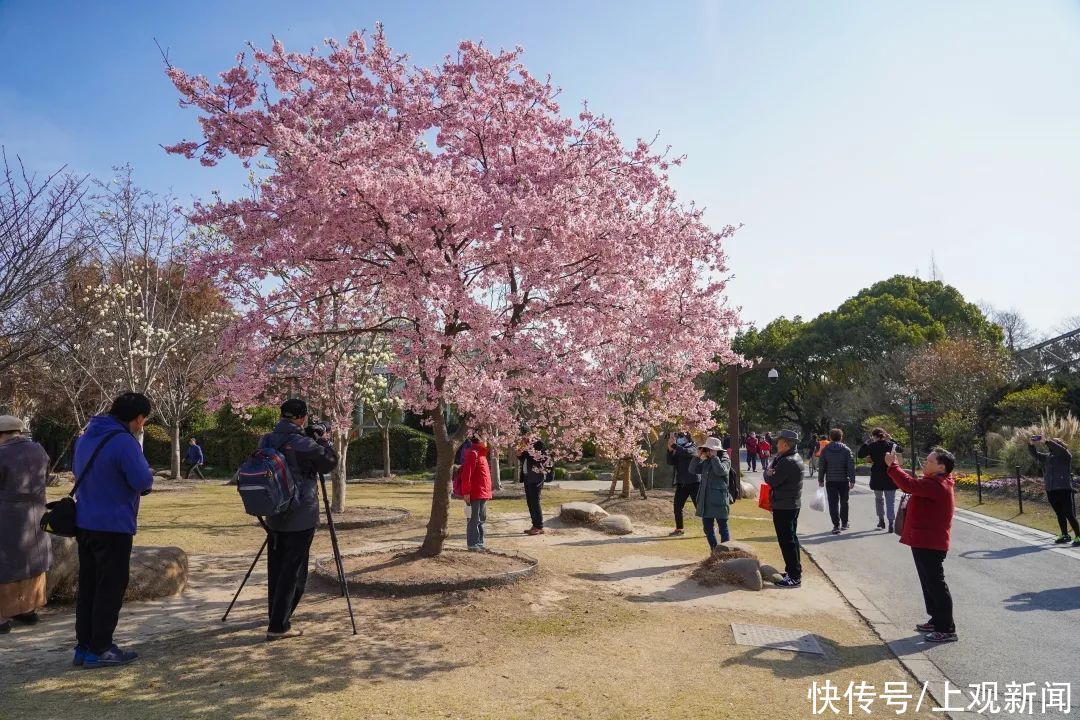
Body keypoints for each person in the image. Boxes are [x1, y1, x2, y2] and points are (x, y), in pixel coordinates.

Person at [72, 392, 154, 668]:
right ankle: (101, 647)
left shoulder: (85, 438)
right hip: (114, 524)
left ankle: (84, 646)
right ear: (138, 418)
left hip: (85, 521)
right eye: (143, 420)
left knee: (89, 586)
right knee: (110, 587)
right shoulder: (123, 442)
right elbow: (142, 481)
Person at [260, 398, 338, 641]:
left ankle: (275, 614)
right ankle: (279, 626)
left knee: (277, 567)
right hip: (300, 516)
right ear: (302, 417)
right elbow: (329, 462)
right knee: (294, 572)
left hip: (273, 513)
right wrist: (324, 440)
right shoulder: (303, 443)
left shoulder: (266, 439)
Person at [885, 446, 958, 643]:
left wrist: (893, 466)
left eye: (930, 461)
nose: (926, 463)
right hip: (924, 540)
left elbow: (909, 485)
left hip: (931, 542)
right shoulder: (935, 481)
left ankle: (947, 628)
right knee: (929, 583)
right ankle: (936, 620)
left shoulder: (937, 484)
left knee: (936, 584)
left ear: (941, 467)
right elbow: (912, 485)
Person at [0, 416, 51, 635]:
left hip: (7, 513)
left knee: (6, 563)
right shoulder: (39, 450)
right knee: (33, 560)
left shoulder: (2, 454)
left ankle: (2, 616)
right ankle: (29, 608)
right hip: (37, 511)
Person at [764, 429, 805, 588]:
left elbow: (771, 480)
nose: (776, 444)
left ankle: (794, 576)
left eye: (779, 441)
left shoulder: (788, 461)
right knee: (791, 539)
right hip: (789, 503)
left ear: (786, 444)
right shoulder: (789, 458)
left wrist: (768, 473)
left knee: (787, 541)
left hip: (785, 505)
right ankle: (793, 571)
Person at [1028, 437, 1079, 545]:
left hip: (1063, 489)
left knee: (1068, 513)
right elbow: (1036, 455)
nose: (1050, 446)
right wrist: (1031, 444)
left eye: (1054, 444)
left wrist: (1047, 441)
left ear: (1058, 445)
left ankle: (1078, 536)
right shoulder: (1048, 457)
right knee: (1059, 513)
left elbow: (1060, 449)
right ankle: (1065, 535)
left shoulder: (1065, 456)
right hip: (1051, 490)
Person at [858, 428, 904, 532]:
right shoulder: (890, 444)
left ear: (874, 436)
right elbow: (901, 449)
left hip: (877, 477)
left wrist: (866, 443)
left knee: (879, 500)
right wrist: (892, 439)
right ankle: (891, 523)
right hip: (890, 476)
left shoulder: (871, 446)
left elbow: (860, 454)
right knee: (890, 501)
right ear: (884, 435)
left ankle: (881, 520)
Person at [690, 437, 732, 549]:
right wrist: (697, 456)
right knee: (707, 528)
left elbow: (721, 471)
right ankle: (714, 551)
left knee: (723, 528)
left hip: (719, 500)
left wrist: (714, 457)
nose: (708, 451)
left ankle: (725, 553)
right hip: (705, 500)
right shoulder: (706, 461)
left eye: (710, 449)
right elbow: (693, 470)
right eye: (707, 449)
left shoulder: (725, 459)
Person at [818, 428, 856, 534]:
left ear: (830, 438)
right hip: (844, 480)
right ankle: (844, 523)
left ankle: (836, 525)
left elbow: (822, 466)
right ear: (841, 437)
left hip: (830, 480)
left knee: (833, 503)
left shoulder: (825, 450)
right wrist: (852, 480)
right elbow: (851, 466)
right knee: (844, 502)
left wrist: (820, 479)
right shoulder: (846, 450)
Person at [460, 435, 493, 550]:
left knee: (481, 518)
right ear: (480, 441)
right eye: (485, 439)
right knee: (474, 519)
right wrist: (466, 492)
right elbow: (466, 475)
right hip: (475, 492)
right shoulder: (472, 453)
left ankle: (479, 542)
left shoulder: (482, 454)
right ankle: (472, 544)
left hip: (484, 492)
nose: (487, 441)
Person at [666, 431, 700, 536]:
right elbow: (670, 462)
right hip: (682, 483)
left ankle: (710, 526)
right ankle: (679, 528)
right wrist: (670, 450)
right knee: (677, 506)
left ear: (687, 438)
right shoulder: (678, 449)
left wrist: (675, 446)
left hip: (694, 482)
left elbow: (688, 453)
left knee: (700, 507)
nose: (680, 438)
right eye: (679, 437)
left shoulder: (693, 447)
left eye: (682, 437)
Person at [519, 440, 550, 535]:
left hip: (536, 478)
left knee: (535, 502)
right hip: (528, 478)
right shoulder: (526, 446)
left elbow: (539, 458)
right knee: (530, 502)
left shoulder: (537, 443)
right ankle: (535, 525)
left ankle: (539, 526)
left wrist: (527, 450)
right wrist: (520, 454)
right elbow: (524, 460)